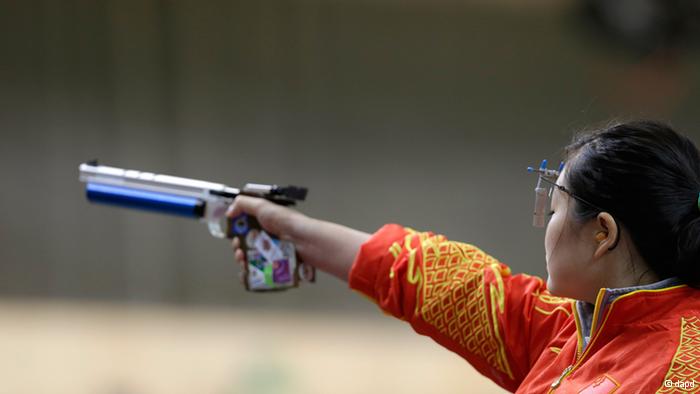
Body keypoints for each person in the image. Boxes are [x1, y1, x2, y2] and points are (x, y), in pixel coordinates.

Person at [226, 120, 700, 393]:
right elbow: (443, 279)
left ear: (603, 234)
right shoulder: (579, 324)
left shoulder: (682, 372)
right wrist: (299, 233)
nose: (547, 229)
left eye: (555, 210)